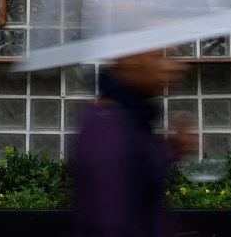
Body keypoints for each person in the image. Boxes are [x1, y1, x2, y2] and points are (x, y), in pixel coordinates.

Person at [73, 49, 196, 237]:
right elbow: (111, 223)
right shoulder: (106, 126)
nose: (177, 66)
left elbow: (137, 187)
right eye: (162, 57)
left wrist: (169, 150)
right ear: (130, 59)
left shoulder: (131, 118)